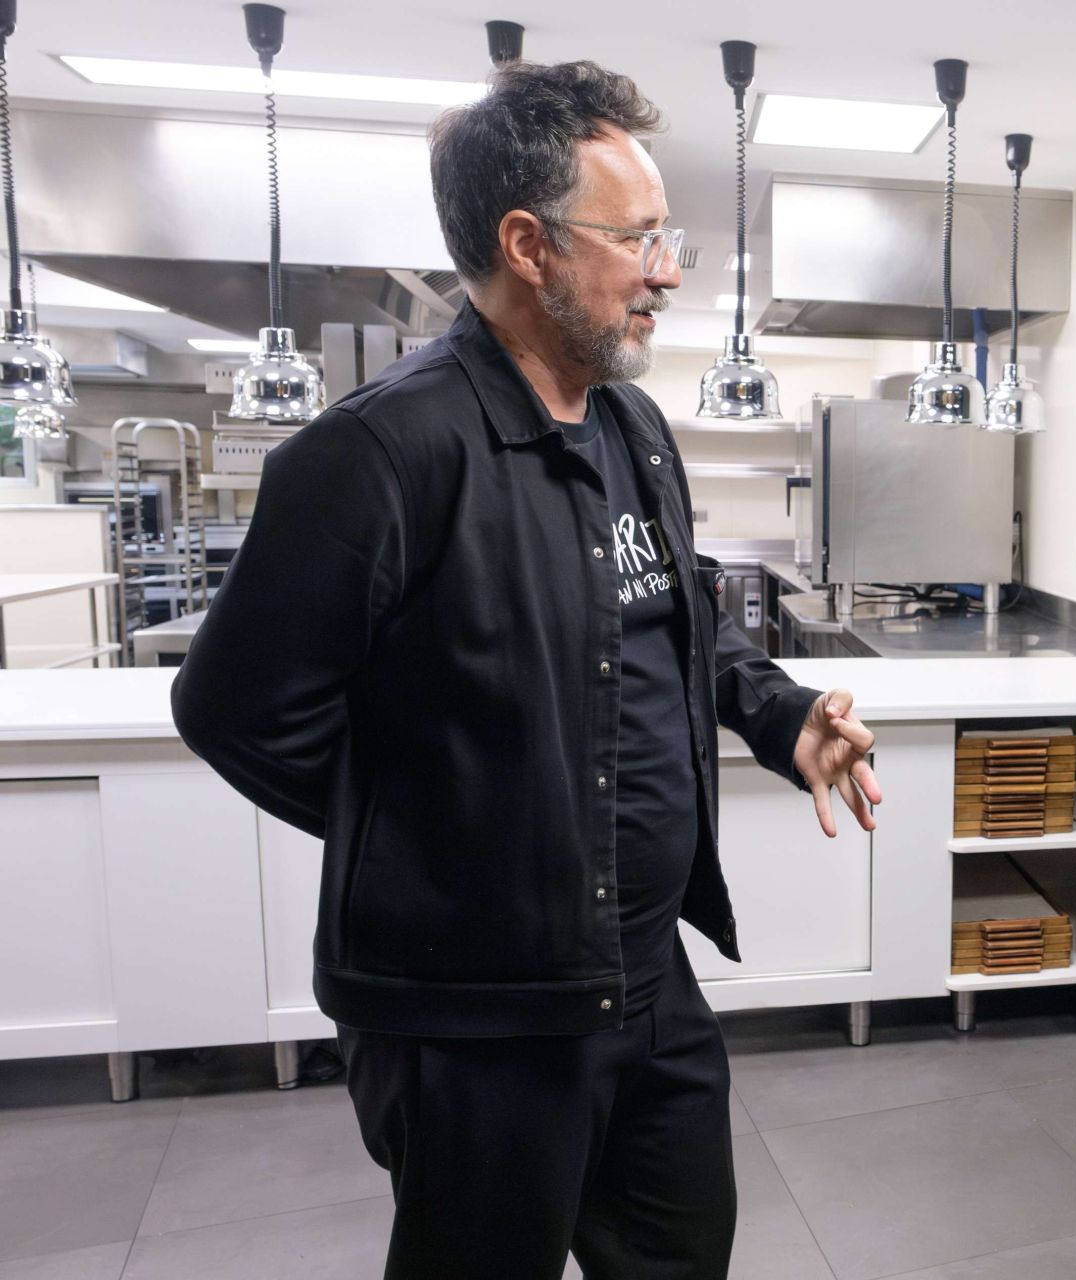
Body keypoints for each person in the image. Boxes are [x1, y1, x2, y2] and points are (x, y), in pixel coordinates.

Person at [172, 60, 882, 1280]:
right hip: (477, 1019)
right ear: (529, 244)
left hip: (649, 979)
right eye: (640, 237)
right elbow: (235, 711)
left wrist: (778, 714)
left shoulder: (632, 427)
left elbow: (681, 623)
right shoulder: (379, 454)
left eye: (673, 239)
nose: (668, 269)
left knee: (680, 1254)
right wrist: (445, 831)